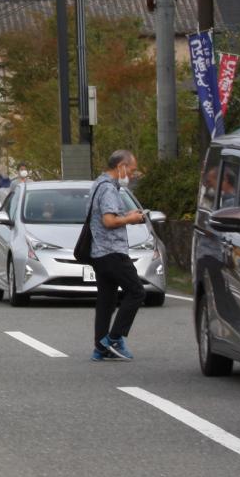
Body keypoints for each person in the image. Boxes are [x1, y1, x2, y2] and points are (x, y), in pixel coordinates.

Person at [85, 149, 148, 361]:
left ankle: (100, 349)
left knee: (106, 300)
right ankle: (112, 339)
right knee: (137, 292)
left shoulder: (97, 184)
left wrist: (126, 215)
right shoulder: (109, 189)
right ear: (120, 166)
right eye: (131, 169)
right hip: (112, 252)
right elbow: (109, 221)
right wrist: (130, 219)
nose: (132, 174)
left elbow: (107, 216)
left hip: (99, 252)